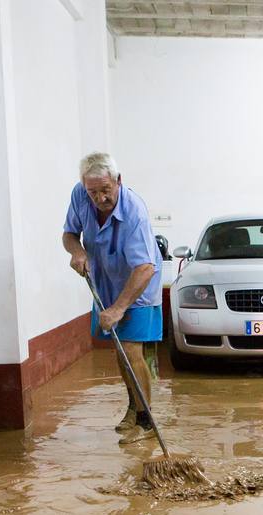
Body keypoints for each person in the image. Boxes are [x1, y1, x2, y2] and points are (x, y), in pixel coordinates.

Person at [62, 152, 162, 438]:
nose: (99, 198)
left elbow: (144, 267)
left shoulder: (134, 213)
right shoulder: (80, 195)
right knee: (120, 350)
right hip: (106, 284)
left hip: (139, 286)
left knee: (131, 349)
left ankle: (146, 421)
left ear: (118, 180)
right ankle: (134, 408)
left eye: (105, 190)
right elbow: (69, 234)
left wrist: (119, 309)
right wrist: (77, 251)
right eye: (92, 192)